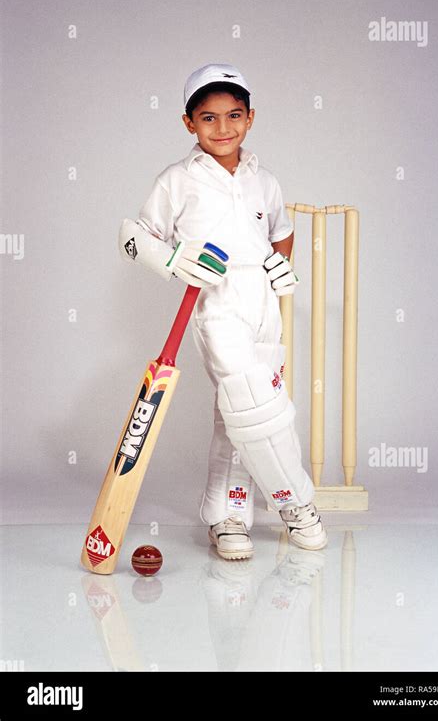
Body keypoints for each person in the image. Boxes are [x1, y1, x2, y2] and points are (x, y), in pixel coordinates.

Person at [119, 63, 328, 560]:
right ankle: (296, 503)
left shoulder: (265, 180)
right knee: (251, 401)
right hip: (214, 301)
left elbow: (279, 231)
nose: (223, 128)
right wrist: (173, 259)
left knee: (238, 416)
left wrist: (281, 266)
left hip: (263, 303)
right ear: (188, 123)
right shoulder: (177, 180)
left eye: (234, 115)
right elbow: (133, 237)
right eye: (208, 118)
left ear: (251, 118)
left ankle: (229, 516)